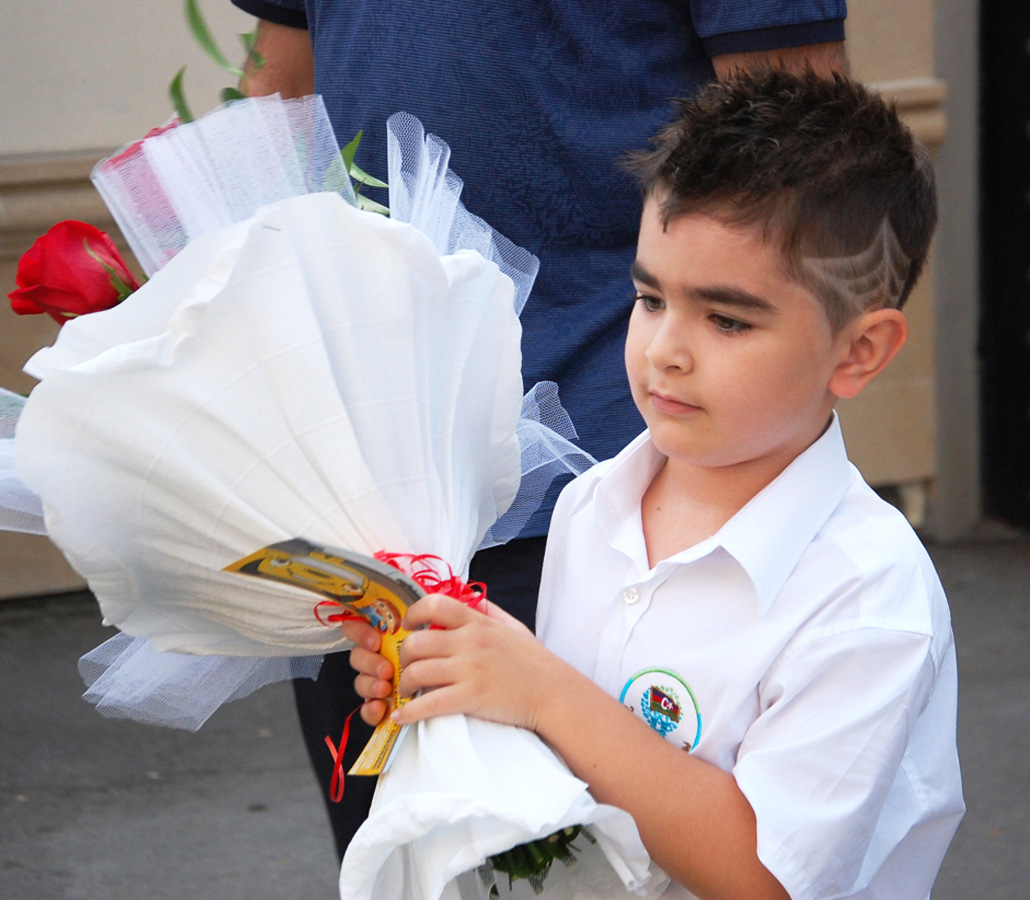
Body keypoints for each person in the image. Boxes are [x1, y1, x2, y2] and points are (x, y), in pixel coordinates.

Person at [230, 0, 849, 856]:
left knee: (625, 855)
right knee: (404, 859)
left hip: (611, 457)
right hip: (359, 471)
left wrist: (548, 694)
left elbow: (800, 164)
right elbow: (281, 90)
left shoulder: (860, 600)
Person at [346, 70, 965, 899]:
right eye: (648, 297)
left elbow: (763, 877)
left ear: (857, 352)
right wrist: (456, 688)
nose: (663, 349)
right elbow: (570, 776)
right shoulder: (591, 502)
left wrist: (541, 691)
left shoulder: (869, 597)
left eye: (728, 319)